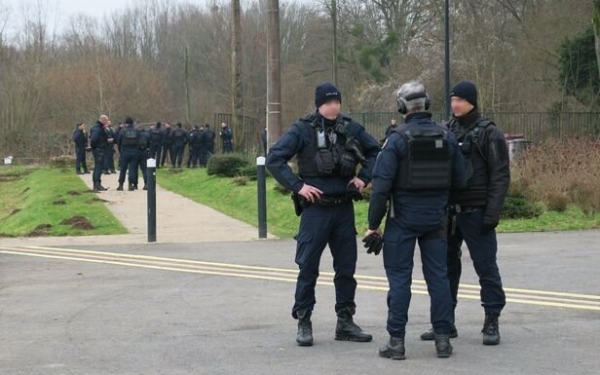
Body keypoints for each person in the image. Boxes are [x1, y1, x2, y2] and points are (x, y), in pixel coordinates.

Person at [266, 82, 380, 347]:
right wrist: (298, 186)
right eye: (329, 102)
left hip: (343, 208)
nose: (334, 106)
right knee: (308, 267)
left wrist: (363, 179)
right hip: (316, 210)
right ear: (319, 104)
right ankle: (304, 321)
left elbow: (376, 152)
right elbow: (275, 158)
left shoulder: (350, 128)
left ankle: (345, 321)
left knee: (346, 268)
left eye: (337, 102)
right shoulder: (302, 130)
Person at [366, 82, 467, 360]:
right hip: (436, 220)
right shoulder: (446, 136)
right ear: (428, 104)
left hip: (402, 221)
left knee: (400, 280)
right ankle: (443, 341)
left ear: (401, 107)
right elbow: (461, 178)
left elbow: (381, 186)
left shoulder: (396, 139)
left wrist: (374, 224)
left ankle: (396, 343)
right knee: (439, 279)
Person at [420, 81, 510, 346]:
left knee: (485, 266)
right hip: (448, 212)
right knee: (446, 268)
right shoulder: (445, 130)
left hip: (477, 211)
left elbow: (500, 175)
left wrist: (492, 212)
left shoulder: (489, 133)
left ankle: (491, 320)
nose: (455, 104)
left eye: (460, 99)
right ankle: (446, 322)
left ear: (472, 101)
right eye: (452, 100)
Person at [116, 117, 140, 191]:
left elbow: (118, 142)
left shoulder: (123, 131)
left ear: (126, 123)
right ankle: (131, 184)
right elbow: (139, 140)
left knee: (123, 169)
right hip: (134, 151)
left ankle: (121, 185)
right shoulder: (136, 131)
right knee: (132, 169)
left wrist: (121, 151)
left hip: (125, 151)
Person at [90, 115, 110, 192]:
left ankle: (97, 184)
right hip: (99, 150)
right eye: (106, 121)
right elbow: (93, 139)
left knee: (98, 167)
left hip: (99, 149)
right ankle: (97, 184)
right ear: (103, 120)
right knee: (98, 167)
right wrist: (96, 147)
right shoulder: (97, 129)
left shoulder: (99, 128)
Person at [136, 123, 150, 190]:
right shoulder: (147, 135)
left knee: (134, 169)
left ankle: (134, 184)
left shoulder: (135, 134)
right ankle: (146, 183)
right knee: (144, 169)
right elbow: (149, 145)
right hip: (144, 153)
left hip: (136, 153)